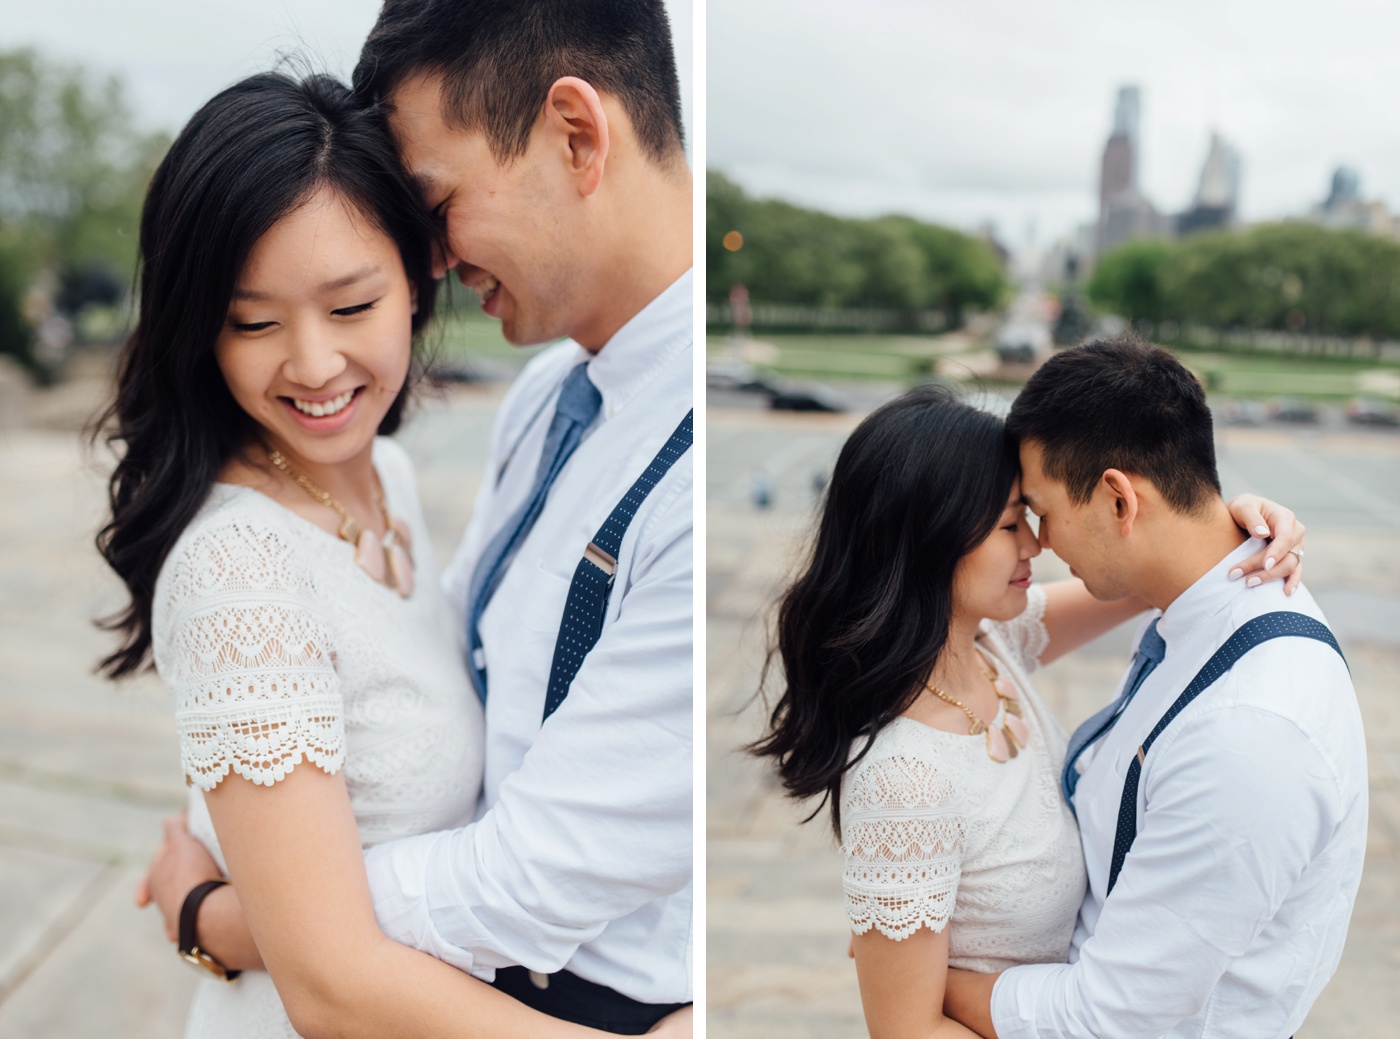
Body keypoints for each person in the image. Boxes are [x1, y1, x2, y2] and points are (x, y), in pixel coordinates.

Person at [136, 1, 694, 1034]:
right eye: (252, 322)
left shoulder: (389, 478)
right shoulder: (541, 405)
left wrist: (223, 911)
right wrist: (286, 927)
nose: (434, 260)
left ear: (578, 136)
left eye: (432, 208)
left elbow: (529, 868)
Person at [751, 381, 1308, 1039]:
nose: (1035, 545)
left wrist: (1235, 520)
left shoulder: (991, 646)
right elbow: (907, 1029)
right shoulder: (903, 780)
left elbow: (1145, 567)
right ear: (931, 538)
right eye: (1011, 523)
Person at [941, 338, 1366, 1038]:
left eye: (1041, 510)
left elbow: (1108, 1018)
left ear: (1117, 498)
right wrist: (1240, 523)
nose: (1040, 542)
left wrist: (919, 976)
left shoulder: (1249, 730)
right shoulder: (1199, 606)